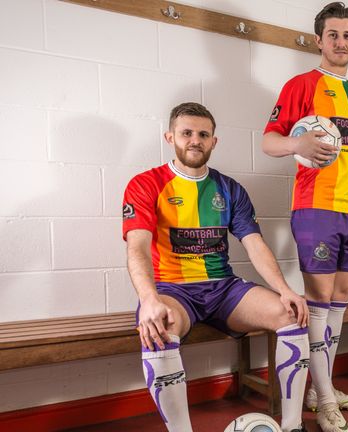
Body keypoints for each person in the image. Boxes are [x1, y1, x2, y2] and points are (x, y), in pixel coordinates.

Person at [123, 102, 309, 432]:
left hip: (223, 288)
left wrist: (285, 290)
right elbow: (136, 247)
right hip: (171, 290)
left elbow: (255, 244)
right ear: (170, 137)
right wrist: (149, 299)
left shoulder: (230, 189)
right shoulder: (146, 184)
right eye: (186, 133)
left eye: (203, 134)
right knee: (158, 330)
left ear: (213, 141)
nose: (195, 140)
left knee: (291, 313)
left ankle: (293, 426)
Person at [261, 3, 348, 431]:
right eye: (333, 34)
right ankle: (326, 398)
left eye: (347, 35)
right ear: (319, 40)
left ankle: (319, 387)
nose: (341, 42)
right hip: (314, 209)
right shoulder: (300, 85)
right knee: (319, 301)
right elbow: (269, 142)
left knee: (341, 299)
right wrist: (298, 145)